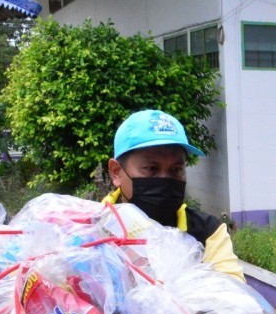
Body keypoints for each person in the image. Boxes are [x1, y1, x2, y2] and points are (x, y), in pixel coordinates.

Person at [104, 109, 242, 280]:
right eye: (151, 169)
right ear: (116, 172)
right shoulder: (92, 227)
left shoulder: (208, 232)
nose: (165, 179)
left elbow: (233, 290)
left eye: (176, 170)